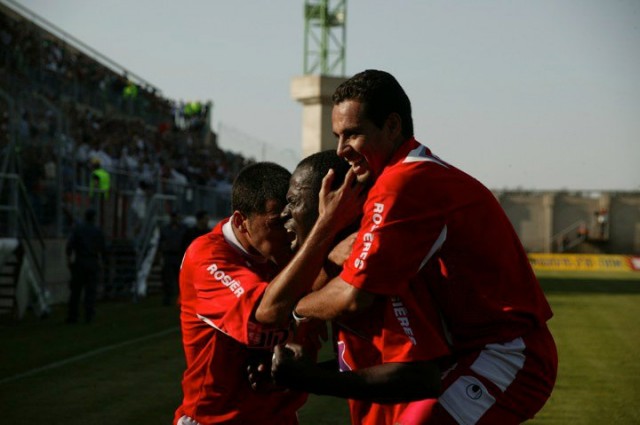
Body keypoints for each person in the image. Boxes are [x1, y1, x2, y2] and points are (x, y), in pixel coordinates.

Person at [286, 70, 557, 424]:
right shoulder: (405, 175)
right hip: (471, 351)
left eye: (353, 133)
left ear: (392, 125)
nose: (341, 150)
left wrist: (295, 308)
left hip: (507, 351)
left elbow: (354, 295)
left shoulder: (403, 183)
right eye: (338, 136)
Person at [174, 161, 363, 425]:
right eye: (276, 223)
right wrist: (327, 230)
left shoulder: (282, 251)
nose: (287, 230)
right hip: (217, 419)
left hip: (279, 417)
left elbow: (302, 303)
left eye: (289, 217)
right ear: (241, 222)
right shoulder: (208, 256)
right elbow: (270, 311)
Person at [269, 150, 450, 425]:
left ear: (331, 198)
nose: (284, 213)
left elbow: (421, 375)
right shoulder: (340, 265)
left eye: (293, 201)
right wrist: (299, 373)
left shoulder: (372, 267)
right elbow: (371, 361)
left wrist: (313, 379)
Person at [65, 208, 106, 323]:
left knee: (75, 291)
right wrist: (102, 262)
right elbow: (103, 249)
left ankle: (73, 316)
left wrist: (69, 260)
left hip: (80, 261)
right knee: (91, 291)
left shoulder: (78, 230)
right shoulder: (98, 231)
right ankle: (89, 315)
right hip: (92, 262)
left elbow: (69, 247)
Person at [159, 211, 186, 306]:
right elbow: (161, 243)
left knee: (179, 279)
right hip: (169, 255)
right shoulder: (167, 229)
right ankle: (167, 298)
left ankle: (180, 299)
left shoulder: (182, 229)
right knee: (167, 279)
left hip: (178, 255)